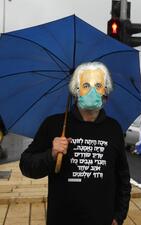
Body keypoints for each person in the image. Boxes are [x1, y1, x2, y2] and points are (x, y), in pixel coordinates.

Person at [19, 62, 131, 225]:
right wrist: (51, 154)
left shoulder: (113, 128)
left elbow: (123, 176)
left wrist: (119, 216)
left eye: (98, 85)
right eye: (86, 85)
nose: (92, 91)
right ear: (76, 90)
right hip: (62, 219)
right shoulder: (54, 124)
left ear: (105, 91)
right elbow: (26, 165)